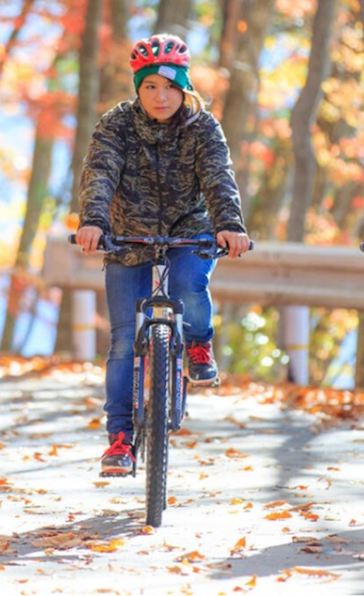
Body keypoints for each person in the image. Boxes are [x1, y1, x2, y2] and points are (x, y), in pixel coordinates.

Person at [74, 33, 255, 478]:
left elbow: (218, 177)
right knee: (121, 341)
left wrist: (229, 224)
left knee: (190, 284)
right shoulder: (116, 124)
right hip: (127, 236)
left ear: (184, 88)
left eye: (170, 87)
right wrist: (93, 221)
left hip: (187, 232)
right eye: (150, 86)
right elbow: (100, 172)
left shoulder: (202, 126)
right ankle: (119, 439)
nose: (160, 96)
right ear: (138, 89)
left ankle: (196, 342)